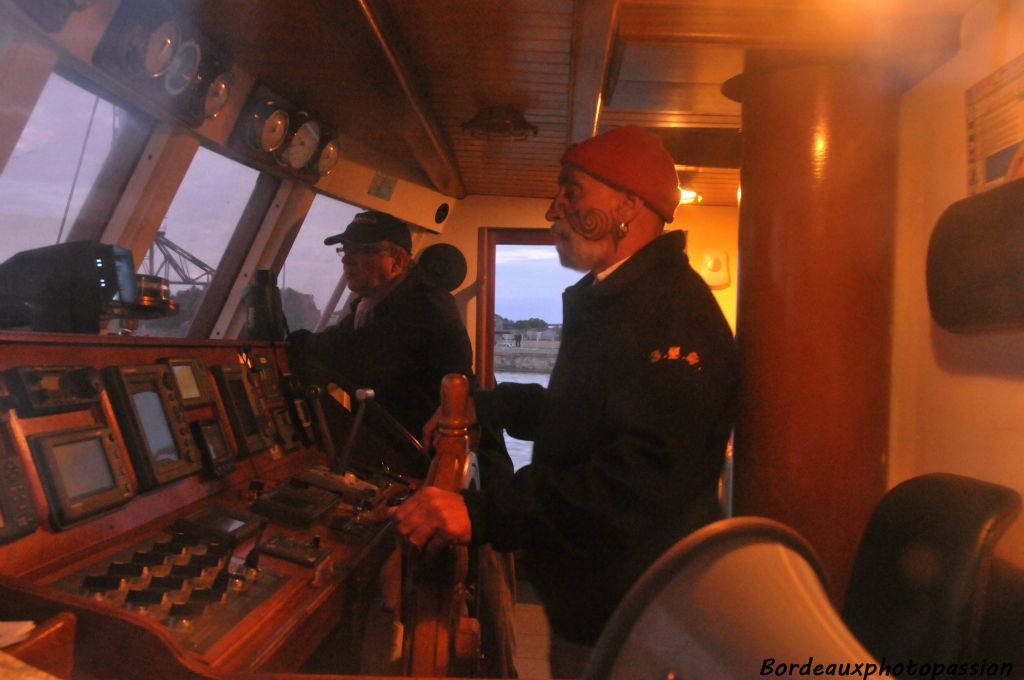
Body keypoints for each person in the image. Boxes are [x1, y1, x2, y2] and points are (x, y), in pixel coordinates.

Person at [391, 125, 740, 677]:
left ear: (629, 205)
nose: (553, 209)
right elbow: (583, 420)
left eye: (571, 191)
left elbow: (640, 481)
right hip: (601, 599)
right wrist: (493, 404)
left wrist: (482, 512)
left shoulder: (674, 314)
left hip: (636, 609)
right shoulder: (621, 298)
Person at [287, 209, 516, 675]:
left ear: (396, 261)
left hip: (452, 466)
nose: (347, 261)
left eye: (361, 252)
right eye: (344, 251)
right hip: (418, 458)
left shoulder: (421, 308)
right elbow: (339, 344)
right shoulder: (373, 304)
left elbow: (362, 363)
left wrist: (295, 345)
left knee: (488, 614)